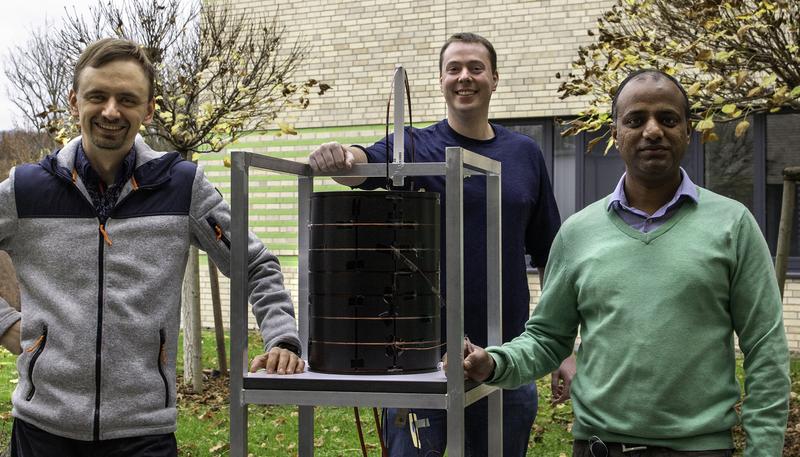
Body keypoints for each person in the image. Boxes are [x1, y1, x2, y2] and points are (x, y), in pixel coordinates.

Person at [0, 38, 303, 457]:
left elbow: (254, 262)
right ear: (74, 102)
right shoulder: (26, 189)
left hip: (144, 434)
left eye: (127, 99)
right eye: (97, 96)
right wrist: (5, 323)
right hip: (42, 431)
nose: (111, 111)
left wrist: (282, 339)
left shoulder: (181, 186)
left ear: (148, 109)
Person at [463, 69, 790, 456]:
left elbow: (766, 349)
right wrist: (494, 363)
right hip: (599, 447)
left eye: (668, 119)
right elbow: (549, 339)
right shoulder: (578, 232)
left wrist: (764, 450)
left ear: (688, 131)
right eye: (635, 120)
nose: (652, 131)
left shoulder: (733, 225)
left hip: (699, 449)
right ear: (616, 134)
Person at [309, 32, 571, 457]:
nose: (464, 77)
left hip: (509, 362)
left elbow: (551, 256)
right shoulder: (414, 145)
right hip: (421, 364)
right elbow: (363, 166)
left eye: (475, 68)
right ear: (441, 80)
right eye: (454, 69)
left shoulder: (525, 153)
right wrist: (341, 156)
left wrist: (559, 350)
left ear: (495, 79)